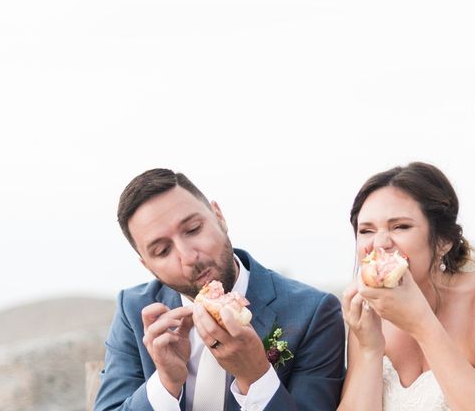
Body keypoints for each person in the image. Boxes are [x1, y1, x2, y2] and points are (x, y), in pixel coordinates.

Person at [94, 168, 345, 411]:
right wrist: (165, 383)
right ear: (148, 266)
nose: (189, 256)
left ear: (219, 217)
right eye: (162, 251)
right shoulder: (135, 310)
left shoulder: (313, 312)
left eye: (193, 229)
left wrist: (256, 377)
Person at [338, 162, 475, 411]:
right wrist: (369, 349)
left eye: (400, 227)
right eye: (366, 230)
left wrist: (422, 325)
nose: (380, 243)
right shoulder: (367, 311)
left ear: (444, 241)